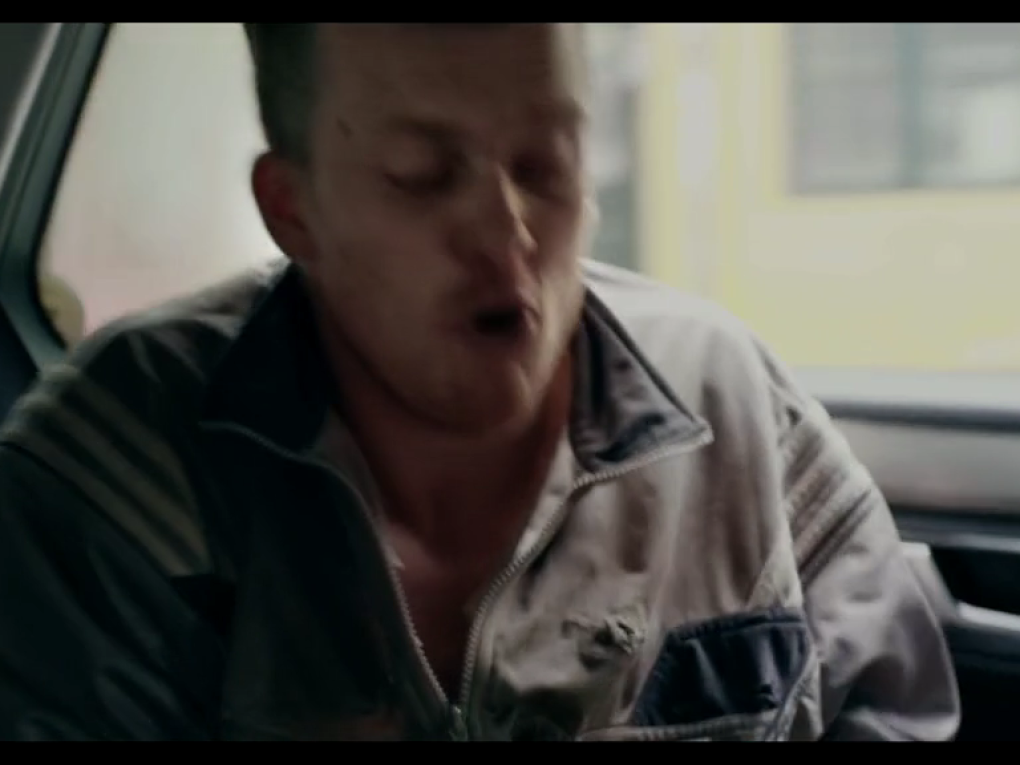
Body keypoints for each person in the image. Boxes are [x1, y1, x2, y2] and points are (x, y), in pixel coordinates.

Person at [0, 23, 959, 741]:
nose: (507, 238)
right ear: (293, 210)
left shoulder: (734, 411)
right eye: (421, 174)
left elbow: (898, 712)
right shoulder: (113, 487)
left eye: (547, 162)